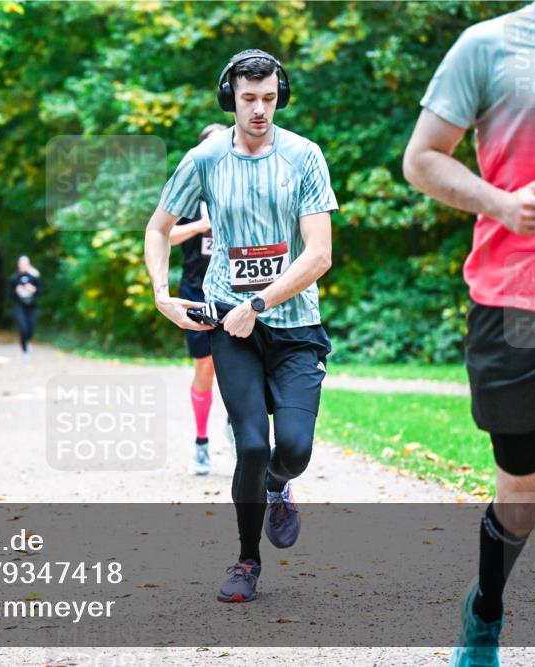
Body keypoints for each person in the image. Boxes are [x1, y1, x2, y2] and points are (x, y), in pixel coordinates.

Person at [402, 3, 535, 664]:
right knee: (524, 494)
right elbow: (422, 159)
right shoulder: (488, 45)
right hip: (519, 305)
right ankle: (486, 612)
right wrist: (502, 204)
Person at [144, 49, 337, 604]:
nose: (259, 110)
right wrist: (161, 294)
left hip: (294, 324)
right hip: (230, 325)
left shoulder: (304, 156)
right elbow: (158, 229)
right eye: (249, 98)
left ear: (281, 97)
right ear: (230, 97)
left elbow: (319, 254)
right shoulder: (205, 158)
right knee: (251, 445)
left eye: (269, 98)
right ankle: (247, 560)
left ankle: (279, 485)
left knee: (293, 450)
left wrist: (259, 301)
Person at [170, 123, 229, 475]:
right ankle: (202, 443)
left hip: (236, 292)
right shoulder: (189, 196)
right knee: (205, 367)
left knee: (242, 365)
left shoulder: (239, 190)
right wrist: (200, 226)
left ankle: (237, 426)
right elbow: (164, 234)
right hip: (196, 294)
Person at [9, 255, 40, 360]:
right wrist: (16, 291)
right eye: (21, 264)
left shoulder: (33, 277)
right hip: (19, 306)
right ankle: (25, 350)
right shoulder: (14, 278)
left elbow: (42, 289)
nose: (23, 266)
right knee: (23, 327)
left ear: (28, 265)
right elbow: (9, 294)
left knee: (31, 328)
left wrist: (34, 289)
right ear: (18, 265)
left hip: (32, 306)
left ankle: (27, 340)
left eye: (25, 264)